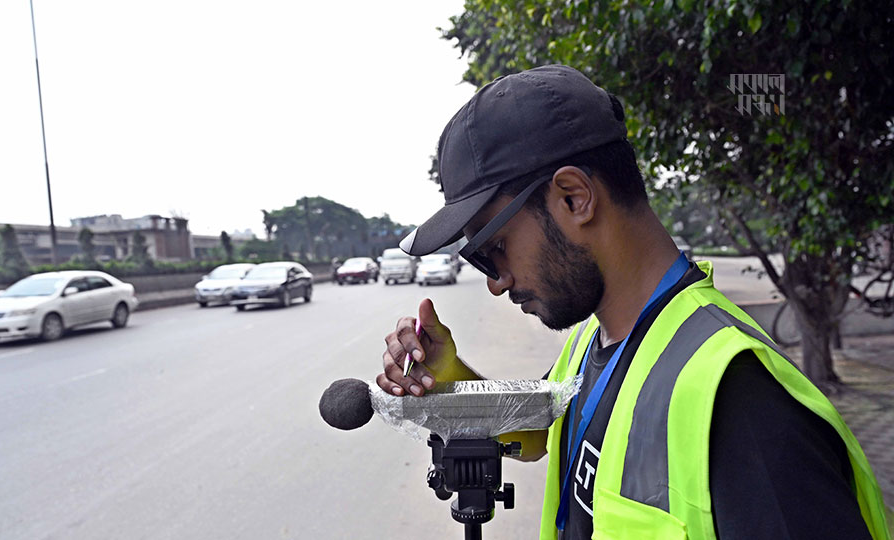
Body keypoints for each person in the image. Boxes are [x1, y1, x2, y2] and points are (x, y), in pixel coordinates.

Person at [376, 65, 889, 540]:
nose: (495, 280)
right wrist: (450, 375)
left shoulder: (739, 402)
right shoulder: (593, 340)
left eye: (493, 249)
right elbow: (537, 434)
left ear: (574, 197)